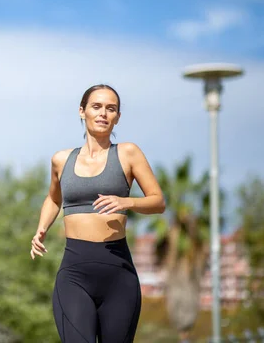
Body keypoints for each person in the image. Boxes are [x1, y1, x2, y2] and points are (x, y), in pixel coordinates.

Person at [30, 84, 166, 343]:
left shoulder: (128, 153)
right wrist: (42, 228)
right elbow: (53, 198)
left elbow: (158, 202)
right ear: (82, 111)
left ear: (117, 117)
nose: (103, 113)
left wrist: (126, 202)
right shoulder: (61, 159)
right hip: (74, 273)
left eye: (111, 108)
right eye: (96, 106)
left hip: (118, 275)